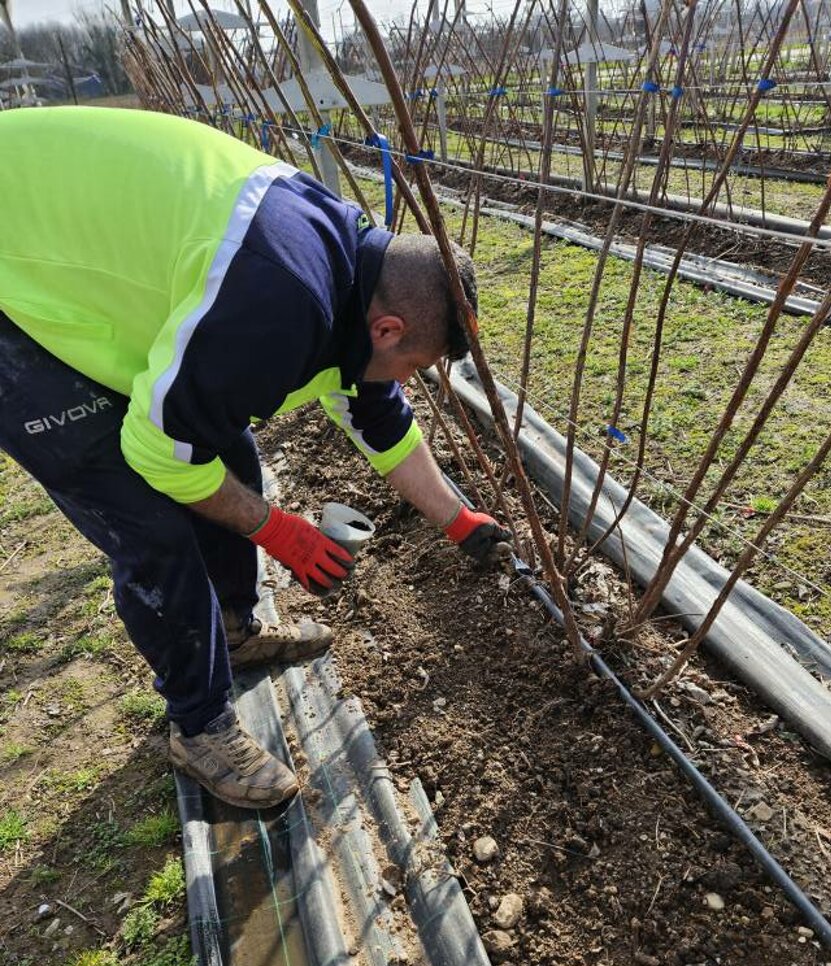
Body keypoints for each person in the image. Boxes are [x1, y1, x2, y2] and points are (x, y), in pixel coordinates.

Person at [0, 106, 508, 808]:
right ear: (387, 329)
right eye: (415, 364)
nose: (407, 379)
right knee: (152, 524)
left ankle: (232, 632)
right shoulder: (280, 297)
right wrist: (276, 529)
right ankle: (198, 726)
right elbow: (162, 454)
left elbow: (379, 417)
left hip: (70, 240)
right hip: (14, 278)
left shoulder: (350, 267)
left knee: (221, 444)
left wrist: (458, 520)